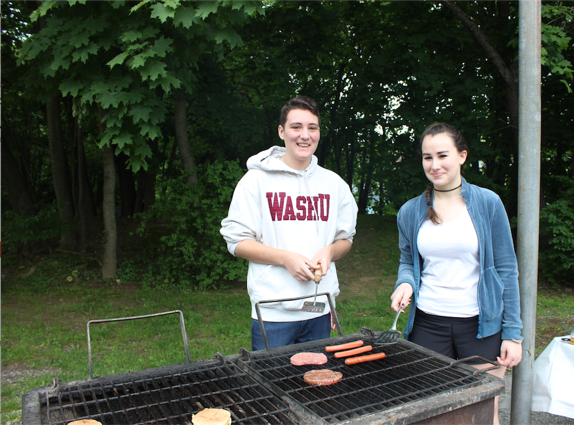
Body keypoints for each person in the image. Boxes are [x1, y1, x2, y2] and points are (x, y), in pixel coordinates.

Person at [390, 122, 523, 425]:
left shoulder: (488, 203)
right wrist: (405, 283)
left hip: (480, 326)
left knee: (481, 414)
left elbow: (506, 269)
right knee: (430, 413)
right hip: (427, 324)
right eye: (427, 157)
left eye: (442, 155)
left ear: (462, 156)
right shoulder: (410, 211)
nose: (434, 165)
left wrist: (513, 334)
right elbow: (408, 261)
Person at [221, 96, 358, 351]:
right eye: (296, 127)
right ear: (281, 131)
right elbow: (236, 241)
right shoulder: (255, 182)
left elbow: (345, 239)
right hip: (273, 312)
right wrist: (285, 258)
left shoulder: (335, 185)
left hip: (320, 307)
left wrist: (329, 251)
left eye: (312, 128)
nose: (304, 135)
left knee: (319, 384)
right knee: (270, 384)